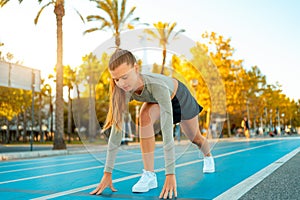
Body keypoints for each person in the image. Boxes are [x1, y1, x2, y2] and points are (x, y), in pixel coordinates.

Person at [90, 49, 215, 199]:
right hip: (156, 100)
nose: (121, 83)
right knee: (144, 117)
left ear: (136, 69)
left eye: (124, 77)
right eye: (116, 79)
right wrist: (107, 173)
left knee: (195, 138)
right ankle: (149, 175)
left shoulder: (157, 86)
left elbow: (167, 131)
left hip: (179, 98)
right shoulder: (121, 91)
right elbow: (116, 132)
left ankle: (208, 156)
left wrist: (170, 174)